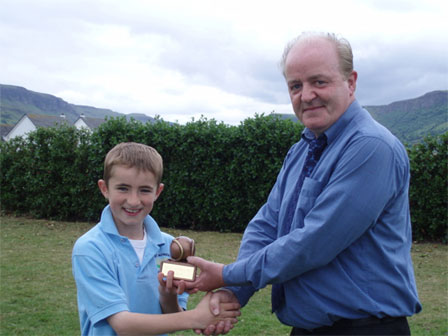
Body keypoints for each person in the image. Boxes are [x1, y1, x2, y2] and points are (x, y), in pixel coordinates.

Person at [183, 32, 422, 335]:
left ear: (351, 82)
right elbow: (268, 225)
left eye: (319, 82)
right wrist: (233, 292)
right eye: (295, 86)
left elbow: (315, 243)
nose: (306, 95)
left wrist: (227, 274)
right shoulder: (301, 150)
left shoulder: (372, 148)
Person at [72, 142, 240, 335]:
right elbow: (122, 324)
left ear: (158, 192)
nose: (134, 200)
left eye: (144, 190)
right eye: (123, 188)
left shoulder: (171, 246)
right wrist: (198, 318)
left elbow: (173, 315)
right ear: (104, 189)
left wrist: (167, 295)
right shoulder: (90, 248)